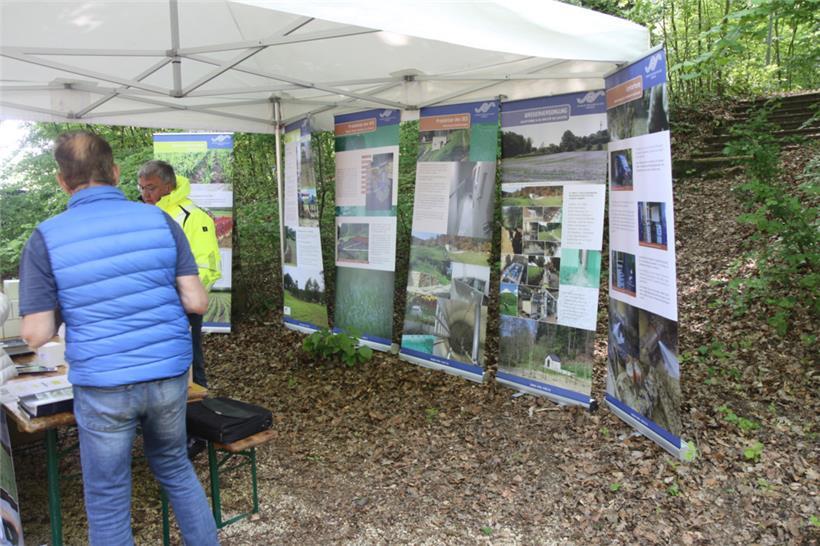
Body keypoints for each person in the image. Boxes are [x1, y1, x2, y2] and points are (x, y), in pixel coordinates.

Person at [19, 131, 219, 545]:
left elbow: (35, 334)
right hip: (167, 378)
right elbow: (197, 301)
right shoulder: (160, 220)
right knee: (176, 469)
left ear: (62, 181)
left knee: (108, 495)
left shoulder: (46, 237)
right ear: (115, 172)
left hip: (104, 385)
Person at [137, 160, 221, 389]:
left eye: (151, 187)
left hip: (181, 305)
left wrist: (183, 297)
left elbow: (208, 267)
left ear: (169, 186)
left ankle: (199, 412)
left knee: (191, 361)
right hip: (147, 304)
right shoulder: (142, 214)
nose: (145, 193)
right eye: (141, 187)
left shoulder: (193, 216)